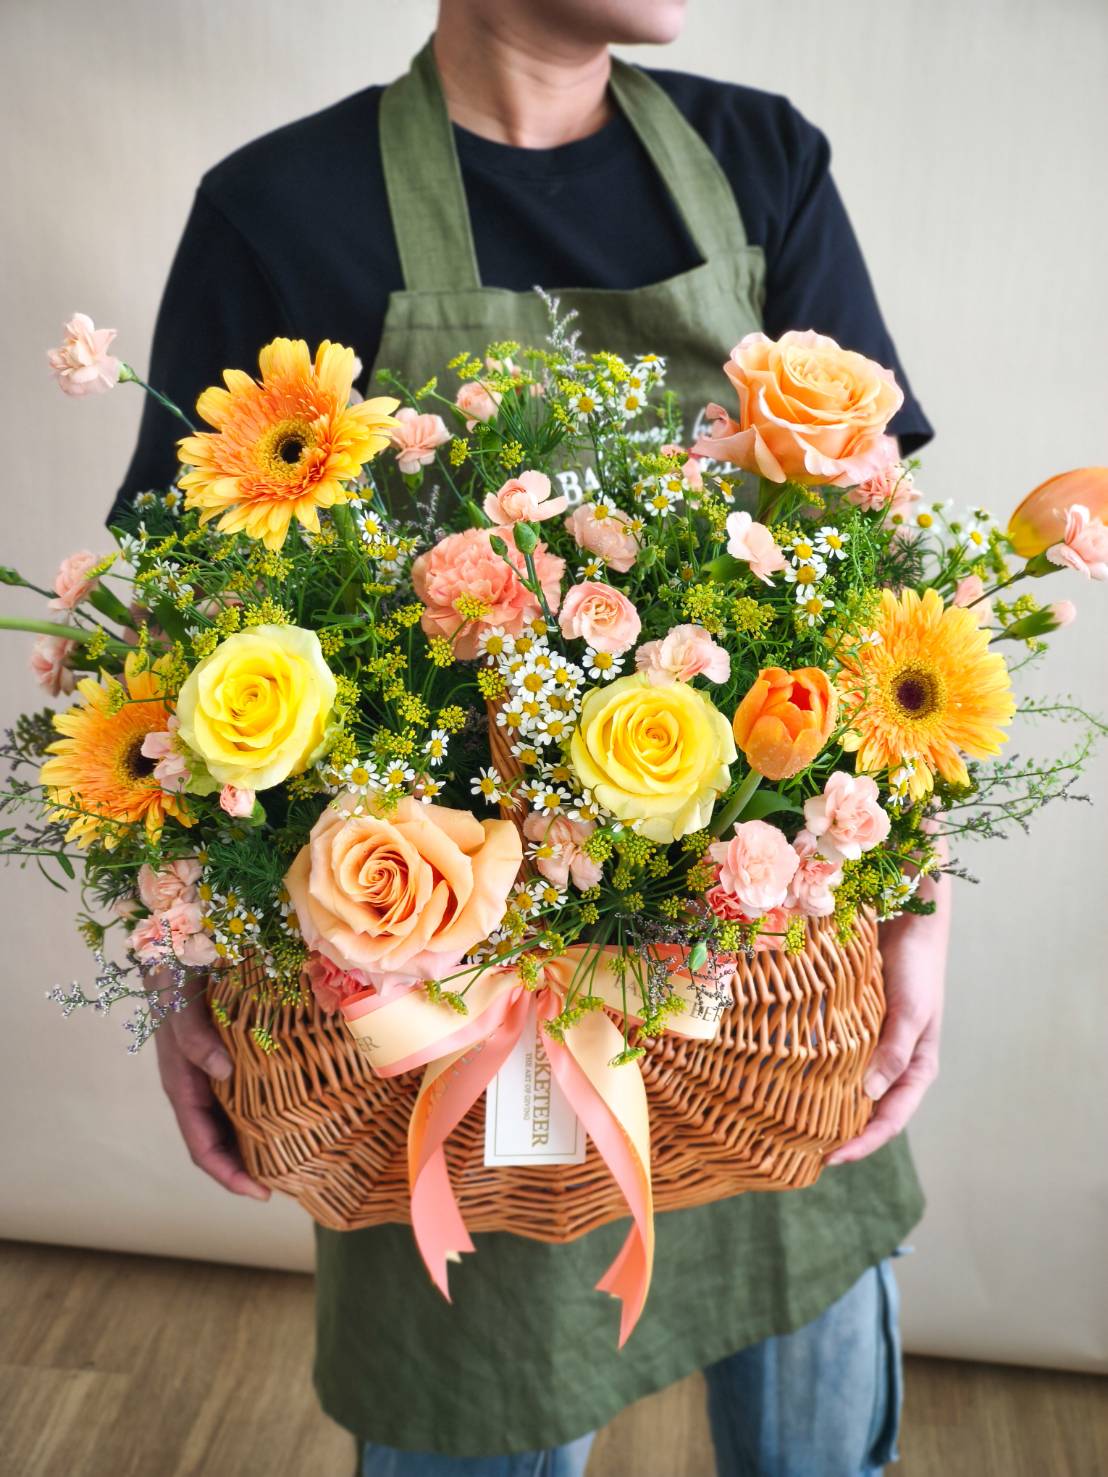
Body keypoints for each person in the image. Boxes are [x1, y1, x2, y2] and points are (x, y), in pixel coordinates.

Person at [116, 2, 948, 1472]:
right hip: (438, 1032)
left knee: (816, 1421)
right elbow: (171, 644)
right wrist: (180, 965)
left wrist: (916, 911)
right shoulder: (280, 209)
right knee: (481, 1418)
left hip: (760, 1004)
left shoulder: (763, 164)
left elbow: (886, 595)